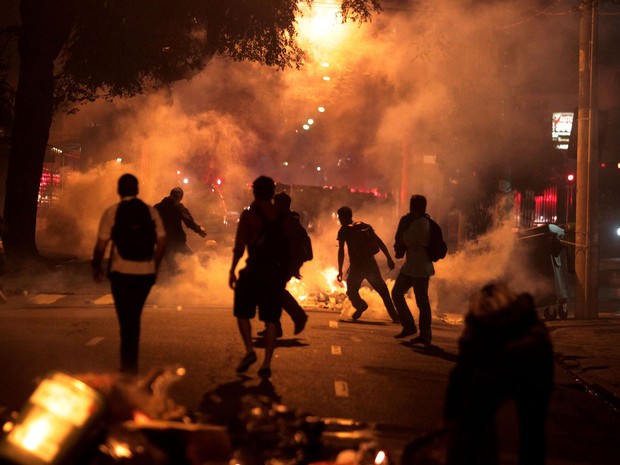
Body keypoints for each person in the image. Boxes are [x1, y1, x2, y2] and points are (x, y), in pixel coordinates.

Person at [443, 282, 554, 465]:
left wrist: (449, 416)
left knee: (473, 418)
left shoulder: (479, 320)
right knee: (532, 430)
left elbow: (462, 372)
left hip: (521, 360)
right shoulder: (529, 320)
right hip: (536, 361)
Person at [92, 173, 166, 374]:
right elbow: (161, 242)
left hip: (121, 273)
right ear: (137, 190)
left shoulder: (112, 212)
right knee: (134, 316)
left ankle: (128, 364)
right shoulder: (150, 212)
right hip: (145, 274)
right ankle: (130, 362)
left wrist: (96, 267)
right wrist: (155, 266)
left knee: (126, 318)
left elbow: (101, 244)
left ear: (119, 190)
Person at [228, 176, 296, 379]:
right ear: (272, 193)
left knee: (242, 312)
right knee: (272, 318)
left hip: (254, 270)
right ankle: (266, 362)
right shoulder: (283, 217)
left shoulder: (249, 215)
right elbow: (291, 248)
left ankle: (249, 351)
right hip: (274, 273)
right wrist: (287, 273)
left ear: (254, 192)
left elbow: (240, 246)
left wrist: (232, 269)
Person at [257, 192, 309, 338]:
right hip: (283, 263)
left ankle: (295, 318)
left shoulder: (283, 220)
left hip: (282, 263)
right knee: (273, 293)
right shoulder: (292, 220)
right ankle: (276, 326)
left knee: (273, 292)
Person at [336, 206, 398, 322]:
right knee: (383, 290)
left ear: (343, 217)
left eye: (339, 217)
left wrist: (340, 270)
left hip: (357, 266)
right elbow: (379, 242)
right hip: (370, 264)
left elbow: (341, 251)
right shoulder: (364, 226)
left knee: (351, 291)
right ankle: (395, 316)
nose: (339, 219)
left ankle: (361, 304)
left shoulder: (344, 230)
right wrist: (389, 258)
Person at [392, 194, 435, 344]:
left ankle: (424, 334)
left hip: (419, 266)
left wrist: (404, 230)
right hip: (413, 265)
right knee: (398, 293)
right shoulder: (424, 222)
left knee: (421, 300)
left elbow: (407, 239)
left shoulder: (419, 223)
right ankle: (410, 326)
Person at [154, 187, 207, 272]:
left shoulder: (157, 207)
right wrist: (199, 230)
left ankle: (176, 283)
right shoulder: (177, 206)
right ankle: (197, 280)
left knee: (173, 270)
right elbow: (188, 221)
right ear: (180, 197)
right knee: (193, 261)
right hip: (177, 242)